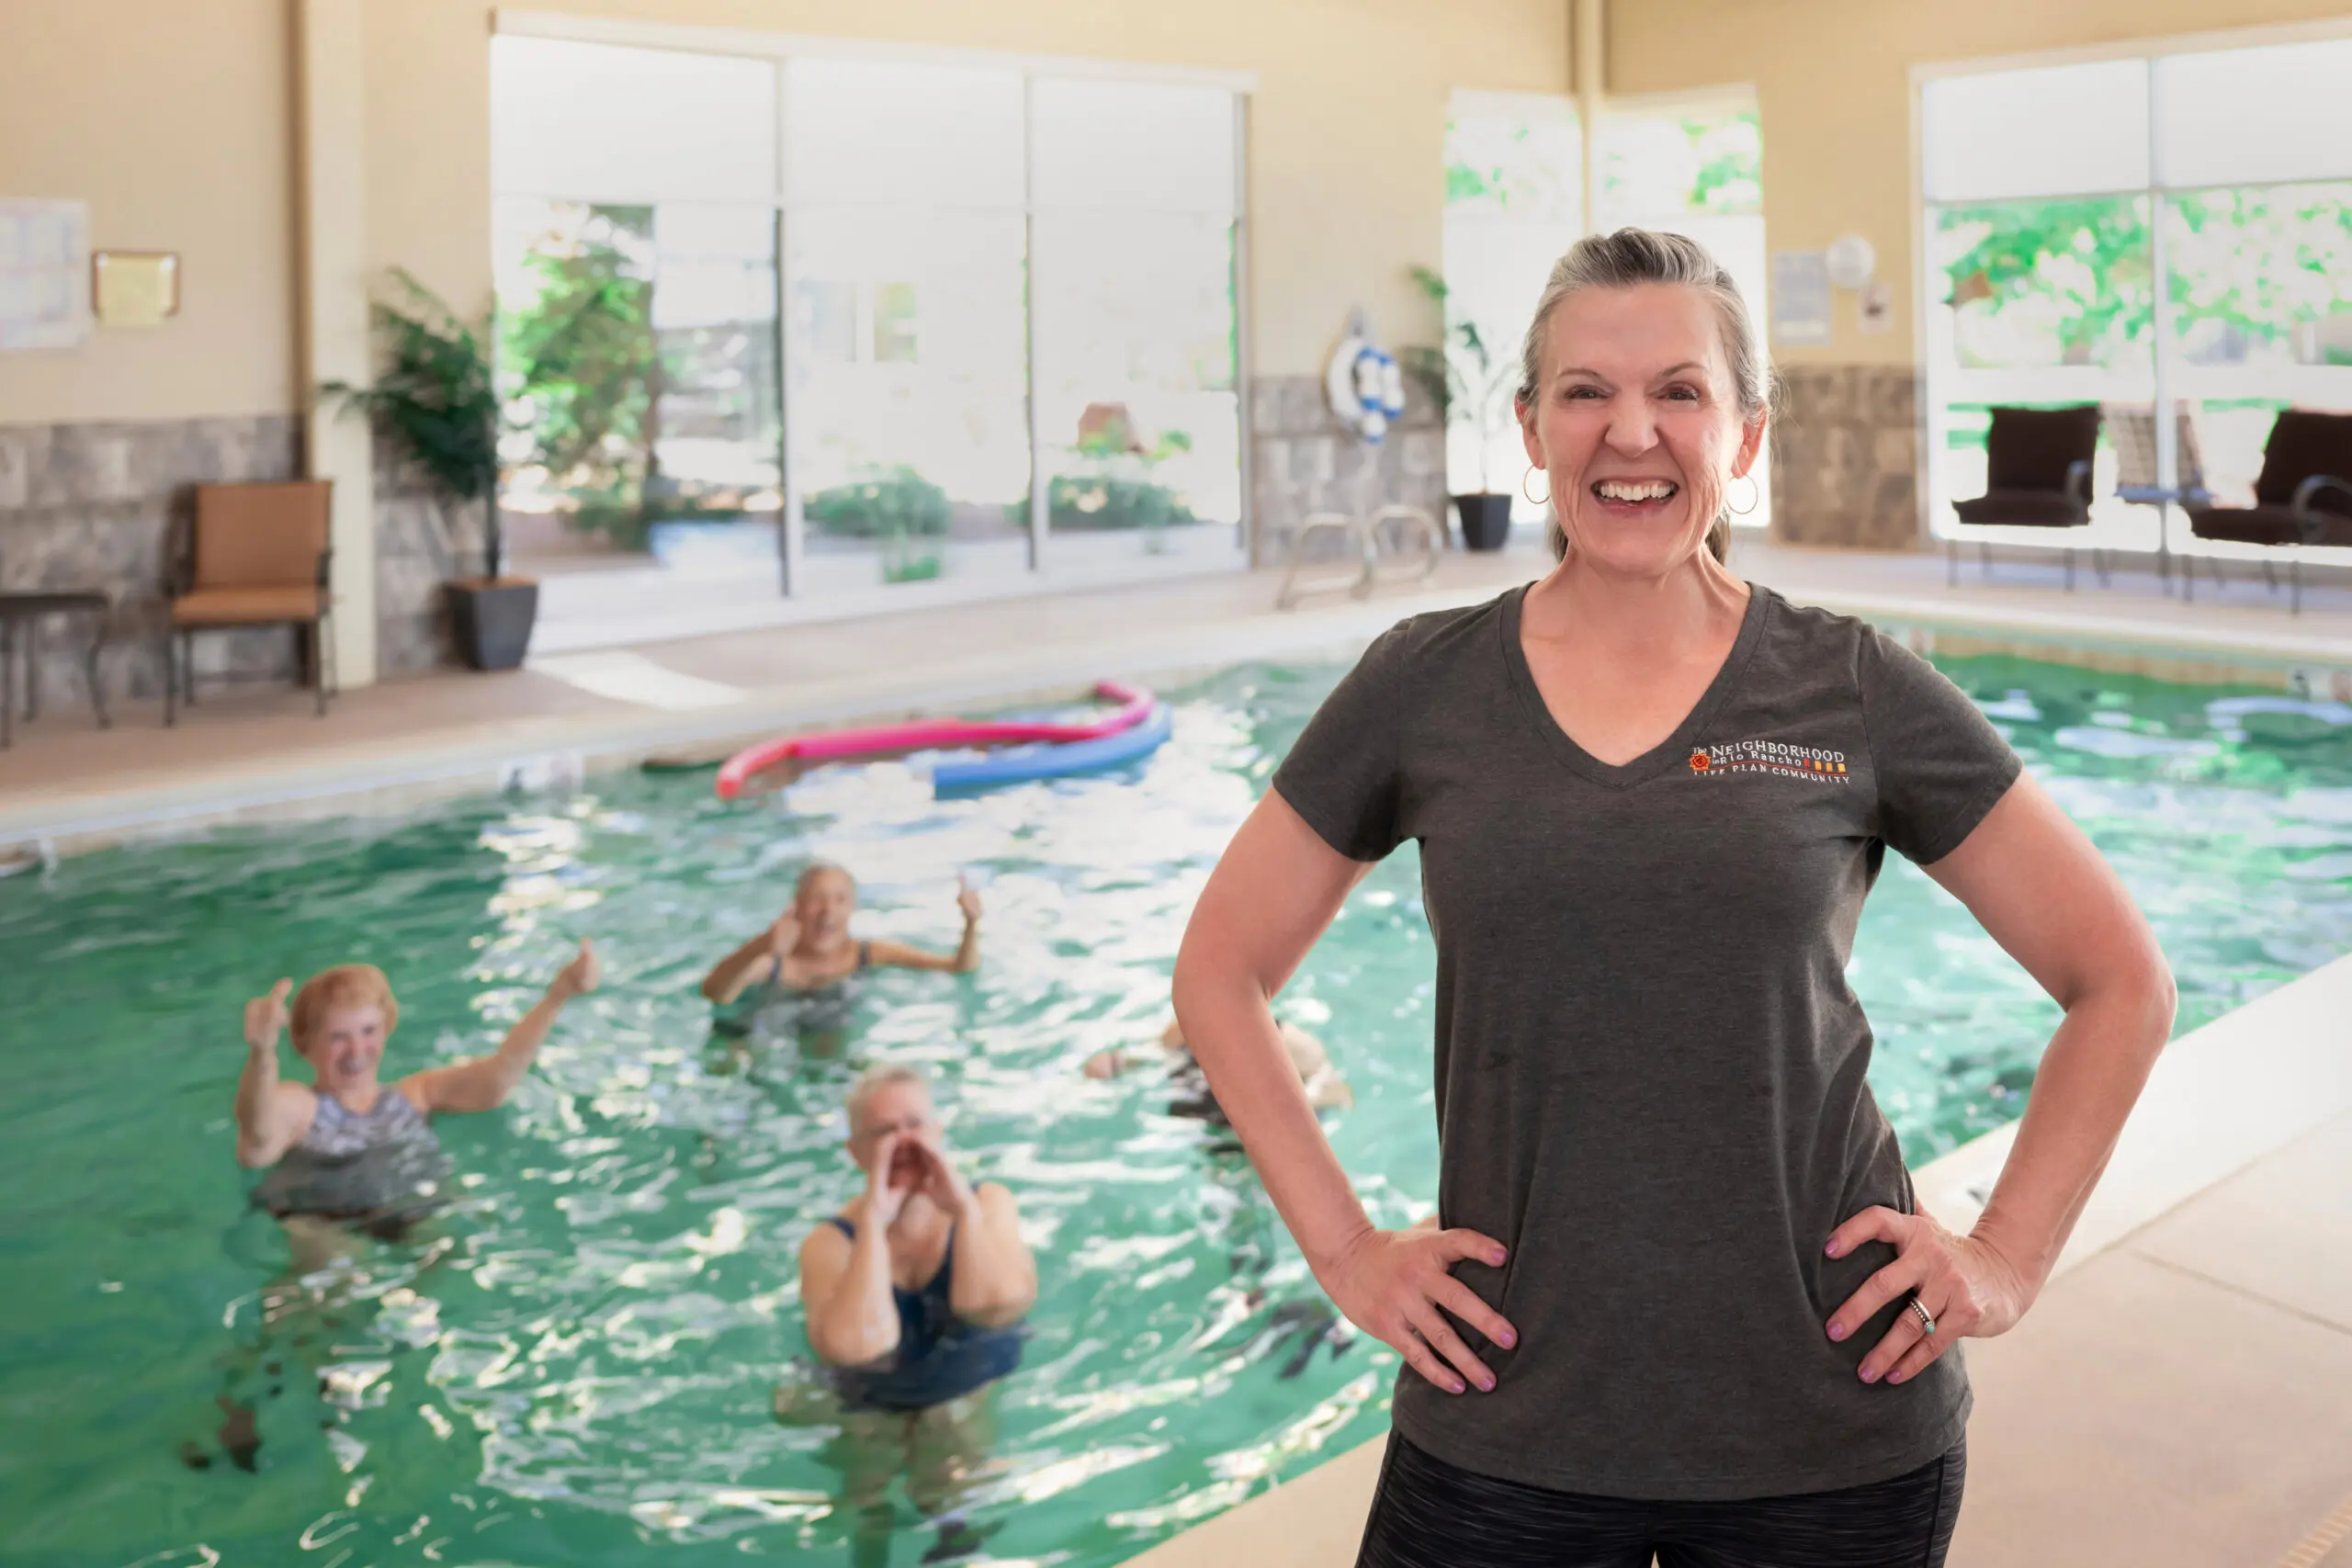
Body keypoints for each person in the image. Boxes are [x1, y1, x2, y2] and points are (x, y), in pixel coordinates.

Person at [1170, 228, 2176, 1567]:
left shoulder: (1851, 686)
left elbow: (2121, 980)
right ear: (1530, 428)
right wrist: (1349, 1252)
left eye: (1679, 392)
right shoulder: (1425, 684)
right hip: (1502, 1421)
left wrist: (2005, 1253)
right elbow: (1219, 969)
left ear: (1745, 435)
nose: (1627, 432)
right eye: (1584, 391)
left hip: (1830, 1428)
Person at [788, 1064, 1035, 1565]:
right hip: (870, 1392)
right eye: (883, 1132)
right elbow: (857, 1348)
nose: (904, 1140)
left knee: (954, 1468)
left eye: (915, 1124)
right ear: (856, 1153)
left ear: (939, 1133)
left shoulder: (988, 1202)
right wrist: (876, 1222)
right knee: (867, 1485)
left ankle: (952, 1540)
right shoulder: (830, 1242)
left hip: (964, 1377)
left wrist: (962, 1212)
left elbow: (995, 1308)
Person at [235, 940, 600, 1226]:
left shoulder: (415, 1095)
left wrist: (558, 996)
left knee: (448, 1249)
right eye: (337, 1037)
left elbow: (497, 1082)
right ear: (304, 1044)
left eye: (369, 1031)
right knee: (332, 1265)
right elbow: (258, 1130)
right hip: (319, 1220)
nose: (357, 1049)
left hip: (410, 1205)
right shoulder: (302, 1107)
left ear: (387, 1028)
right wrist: (262, 1052)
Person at [700, 865, 982, 1044]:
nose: (827, 911)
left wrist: (971, 924)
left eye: (839, 899)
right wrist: (760, 945)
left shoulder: (867, 953)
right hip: (764, 1029)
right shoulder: (774, 960)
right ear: (796, 907)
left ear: (852, 908)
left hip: (828, 1035)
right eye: (817, 899)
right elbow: (715, 993)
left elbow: (958, 967)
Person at [1084, 1017, 1354, 1114]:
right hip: (1211, 1101)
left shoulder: (1295, 1044)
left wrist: (1283, 1104)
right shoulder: (1191, 1024)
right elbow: (1156, 1053)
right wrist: (1118, 1062)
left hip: (1263, 1117)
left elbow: (1339, 1095)